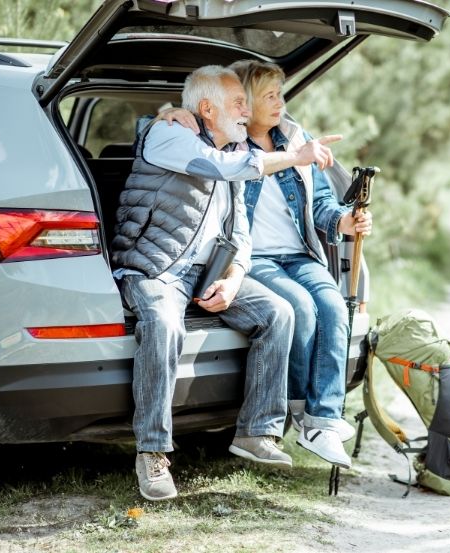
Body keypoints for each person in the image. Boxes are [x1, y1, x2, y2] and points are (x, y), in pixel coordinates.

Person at [111, 65, 341, 501]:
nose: (246, 110)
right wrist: (295, 156)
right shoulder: (169, 137)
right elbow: (221, 167)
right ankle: (152, 453)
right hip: (155, 267)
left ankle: (256, 432)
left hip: (208, 271)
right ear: (205, 109)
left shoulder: (233, 146)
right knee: (164, 325)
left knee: (278, 312)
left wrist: (235, 276)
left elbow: (240, 233)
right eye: (238, 103)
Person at [161, 60, 372, 469]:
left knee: (332, 306)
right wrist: (168, 112)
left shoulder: (296, 137)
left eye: (281, 94)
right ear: (245, 103)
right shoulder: (225, 140)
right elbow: (157, 135)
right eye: (269, 96)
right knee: (302, 310)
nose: (280, 103)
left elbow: (322, 202)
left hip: (299, 253)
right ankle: (298, 408)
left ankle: (324, 420)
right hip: (253, 258)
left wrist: (344, 220)